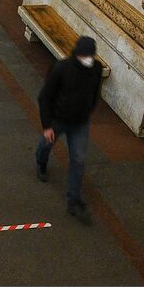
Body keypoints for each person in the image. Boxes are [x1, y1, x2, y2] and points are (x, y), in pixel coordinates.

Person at [35, 36, 104, 219]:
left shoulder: (96, 69)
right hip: (58, 120)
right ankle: (41, 163)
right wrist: (47, 126)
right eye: (85, 55)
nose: (88, 59)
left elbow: (96, 91)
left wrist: (88, 110)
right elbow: (45, 97)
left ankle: (73, 200)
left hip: (80, 123)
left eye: (90, 55)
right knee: (46, 144)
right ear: (78, 54)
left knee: (79, 160)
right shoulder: (62, 68)